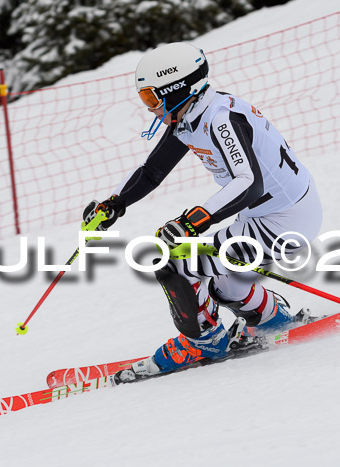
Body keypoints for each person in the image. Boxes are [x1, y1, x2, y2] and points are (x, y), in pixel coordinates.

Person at [83, 42, 322, 377]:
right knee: (225, 283)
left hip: (283, 221)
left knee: (176, 264)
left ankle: (205, 343)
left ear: (177, 89)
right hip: (267, 214)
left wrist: (194, 221)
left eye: (152, 98)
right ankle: (272, 318)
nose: (149, 108)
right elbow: (152, 171)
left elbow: (247, 181)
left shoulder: (221, 118)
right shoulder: (192, 114)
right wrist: (115, 204)